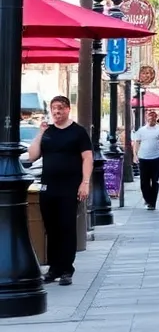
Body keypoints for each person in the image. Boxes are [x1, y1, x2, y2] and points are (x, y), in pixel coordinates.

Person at [27, 95, 91, 285]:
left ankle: (66, 269)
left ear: (68, 109)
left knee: (66, 227)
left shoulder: (78, 132)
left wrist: (85, 182)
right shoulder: (48, 132)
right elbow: (32, 156)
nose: (57, 112)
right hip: (48, 186)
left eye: (60, 108)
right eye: (54, 108)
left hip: (70, 187)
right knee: (51, 227)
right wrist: (40, 133)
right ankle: (53, 268)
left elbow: (87, 158)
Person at [132, 110, 159, 210]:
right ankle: (147, 199)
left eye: (153, 118)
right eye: (149, 118)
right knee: (144, 182)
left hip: (157, 158)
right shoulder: (141, 130)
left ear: (156, 118)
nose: (151, 120)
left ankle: (152, 202)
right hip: (143, 158)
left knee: (155, 181)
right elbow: (136, 143)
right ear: (147, 119)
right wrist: (135, 155)